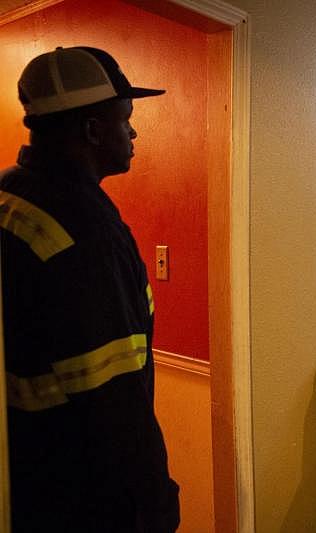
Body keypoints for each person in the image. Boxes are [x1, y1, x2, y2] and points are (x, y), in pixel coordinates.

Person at [1, 46, 179, 532]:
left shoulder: (10, 193)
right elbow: (113, 392)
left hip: (26, 474)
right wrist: (155, 499)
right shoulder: (86, 227)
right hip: (86, 493)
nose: (133, 132)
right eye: (126, 118)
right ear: (94, 130)